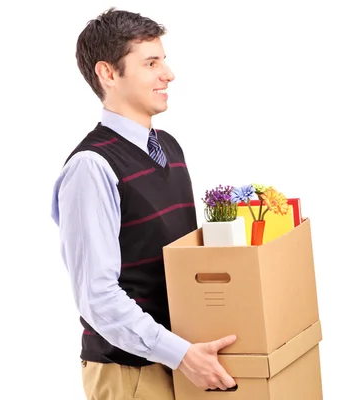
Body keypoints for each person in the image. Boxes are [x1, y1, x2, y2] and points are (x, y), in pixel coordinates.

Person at [50, 7, 237, 400]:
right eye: (151, 62)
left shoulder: (169, 148)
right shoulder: (92, 166)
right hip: (130, 373)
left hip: (184, 360)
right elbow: (97, 296)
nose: (168, 74)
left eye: (163, 61)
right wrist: (180, 354)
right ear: (107, 73)